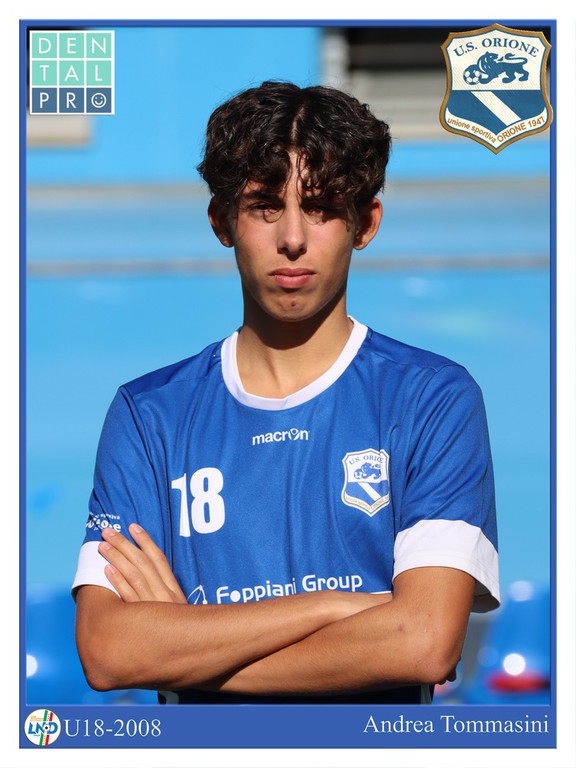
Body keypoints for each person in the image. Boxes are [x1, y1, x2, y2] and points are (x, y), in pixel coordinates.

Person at [73, 80, 499, 705]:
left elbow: (423, 642)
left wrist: (182, 645)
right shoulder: (149, 415)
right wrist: (336, 607)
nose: (293, 238)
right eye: (265, 206)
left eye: (322, 206)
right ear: (221, 221)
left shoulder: (432, 399)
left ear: (366, 222)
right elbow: (109, 652)